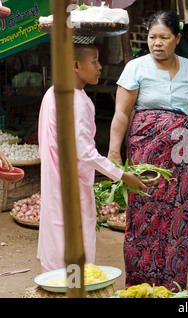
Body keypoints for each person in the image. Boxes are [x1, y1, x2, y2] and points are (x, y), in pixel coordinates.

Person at [107, 10, 188, 290]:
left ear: (177, 38)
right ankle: (140, 284)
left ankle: (171, 283)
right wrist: (114, 152)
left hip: (181, 151)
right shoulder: (136, 67)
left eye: (164, 37)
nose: (156, 42)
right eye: (151, 37)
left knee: (176, 212)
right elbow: (122, 113)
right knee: (144, 212)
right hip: (146, 150)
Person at [37, 39, 148, 273]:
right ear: (75, 65)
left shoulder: (52, 93)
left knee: (58, 239)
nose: (99, 66)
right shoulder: (75, 100)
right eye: (94, 60)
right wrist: (121, 174)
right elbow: (85, 151)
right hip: (72, 187)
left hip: (55, 183)